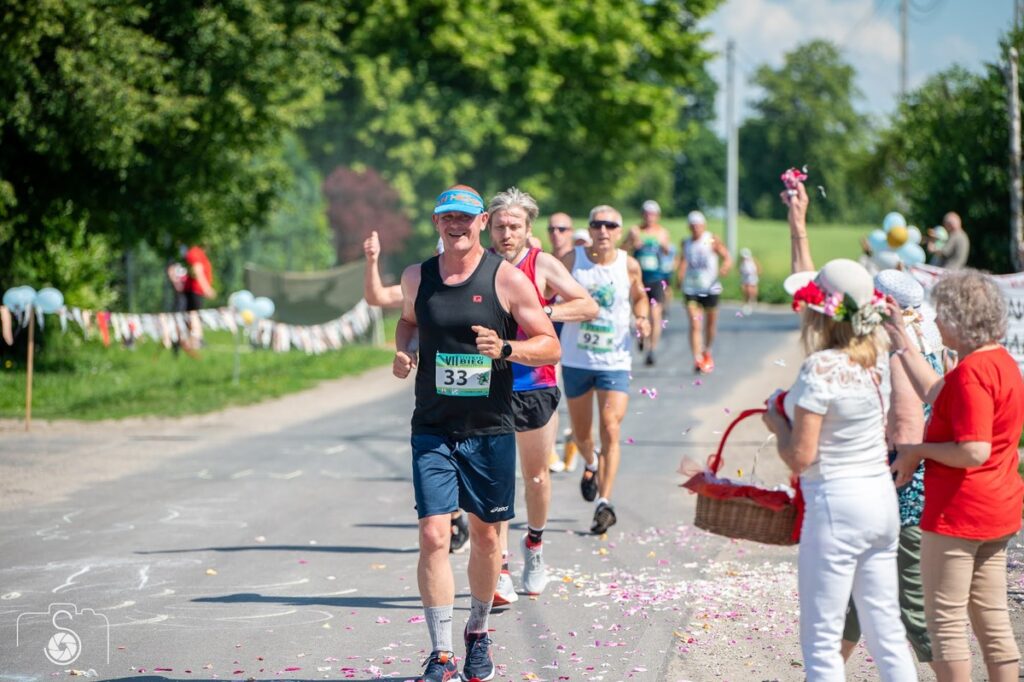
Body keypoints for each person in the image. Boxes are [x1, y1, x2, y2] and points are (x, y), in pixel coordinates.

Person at [395, 185, 560, 682]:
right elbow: (408, 324)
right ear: (435, 221)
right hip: (434, 425)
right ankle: (441, 653)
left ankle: (479, 631)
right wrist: (404, 351)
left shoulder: (507, 279)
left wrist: (505, 349)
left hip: (489, 427)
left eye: (465, 218)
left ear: (482, 222)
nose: (456, 225)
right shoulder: (415, 277)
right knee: (432, 533)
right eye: (447, 216)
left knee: (488, 539)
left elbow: (549, 347)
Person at [768, 182, 917, 681]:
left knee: (823, 639)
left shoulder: (822, 370)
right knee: (886, 631)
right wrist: (798, 223)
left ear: (820, 312)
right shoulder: (873, 359)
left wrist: (776, 422)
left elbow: (800, 457)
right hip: (879, 500)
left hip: (836, 502)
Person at [889, 270, 1023, 682]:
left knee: (944, 621)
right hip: (996, 511)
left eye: (942, 315)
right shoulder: (998, 362)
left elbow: (973, 450)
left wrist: (916, 451)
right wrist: (900, 339)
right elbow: (936, 393)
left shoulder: (971, 374)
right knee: (993, 621)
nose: (934, 323)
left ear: (962, 320)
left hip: (959, 514)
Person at [487, 188, 598, 605]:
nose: (507, 233)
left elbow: (587, 306)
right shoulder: (481, 265)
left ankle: (533, 547)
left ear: (528, 229)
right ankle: (498, 567)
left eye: (514, 226)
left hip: (535, 381)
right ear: (488, 228)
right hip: (490, 386)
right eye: (499, 226)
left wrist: (543, 313)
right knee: (495, 481)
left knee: (535, 476)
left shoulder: (543, 264)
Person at [840, 269, 942, 672]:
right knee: (853, 599)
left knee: (912, 608)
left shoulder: (896, 350)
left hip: (899, 496)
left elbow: (907, 429)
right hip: (908, 493)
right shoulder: (925, 344)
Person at [363, 230, 471, 555]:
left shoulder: (490, 281)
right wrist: (371, 261)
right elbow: (379, 299)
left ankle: (474, 525)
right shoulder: (422, 284)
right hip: (435, 398)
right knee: (440, 462)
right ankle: (452, 514)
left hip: (484, 401)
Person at [560, 205, 651, 535]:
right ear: (589, 228)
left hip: (614, 360)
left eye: (610, 225)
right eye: (597, 224)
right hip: (576, 360)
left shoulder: (628, 264)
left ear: (618, 230)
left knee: (611, 426)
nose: (603, 230)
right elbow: (544, 293)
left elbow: (640, 297)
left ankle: (604, 502)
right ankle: (591, 462)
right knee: (583, 434)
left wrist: (641, 318)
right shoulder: (573, 261)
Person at [678, 210, 731, 374]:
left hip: (711, 287)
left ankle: (707, 351)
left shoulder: (711, 239)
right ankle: (697, 358)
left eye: (698, 226)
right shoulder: (686, 242)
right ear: (689, 227)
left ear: (704, 226)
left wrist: (725, 267)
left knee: (710, 324)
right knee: (695, 324)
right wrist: (679, 277)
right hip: (691, 287)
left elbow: (727, 257)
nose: (695, 229)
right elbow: (683, 260)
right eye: (692, 226)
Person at [624, 199, 675, 366]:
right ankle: (641, 337)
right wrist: (632, 243)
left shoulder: (662, 233)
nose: (649, 217)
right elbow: (621, 251)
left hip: (656, 278)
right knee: (639, 314)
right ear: (642, 215)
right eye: (646, 213)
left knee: (655, 314)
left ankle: (651, 349)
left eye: (652, 214)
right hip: (638, 279)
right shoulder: (635, 230)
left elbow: (670, 253)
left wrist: (664, 246)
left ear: (658, 216)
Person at [738, 247, 760, 314]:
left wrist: (756, 274)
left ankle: (753, 300)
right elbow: (740, 270)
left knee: (752, 290)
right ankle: (746, 302)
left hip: (752, 277)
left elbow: (758, 268)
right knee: (745, 290)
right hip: (745, 278)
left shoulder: (753, 260)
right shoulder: (742, 262)